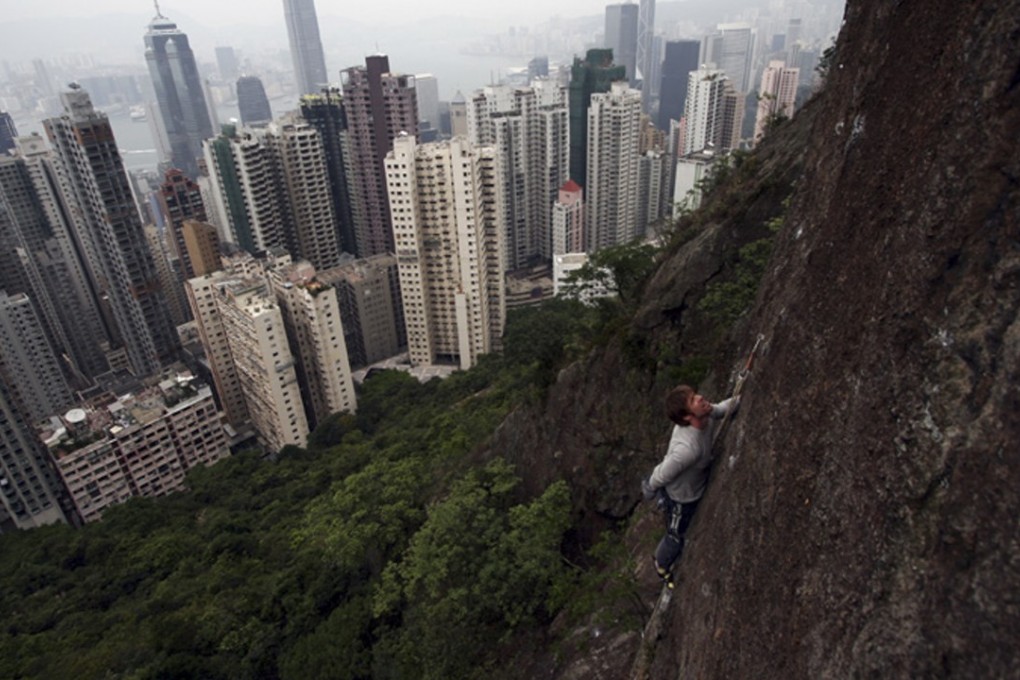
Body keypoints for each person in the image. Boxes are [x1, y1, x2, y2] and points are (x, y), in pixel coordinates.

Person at [642, 385, 739, 588]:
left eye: (695, 395)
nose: (701, 398)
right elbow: (661, 474)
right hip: (681, 498)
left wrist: (741, 397)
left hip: (695, 483)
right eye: (694, 399)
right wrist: (649, 488)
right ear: (687, 417)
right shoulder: (686, 450)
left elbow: (723, 409)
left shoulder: (705, 414)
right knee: (676, 535)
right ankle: (661, 564)